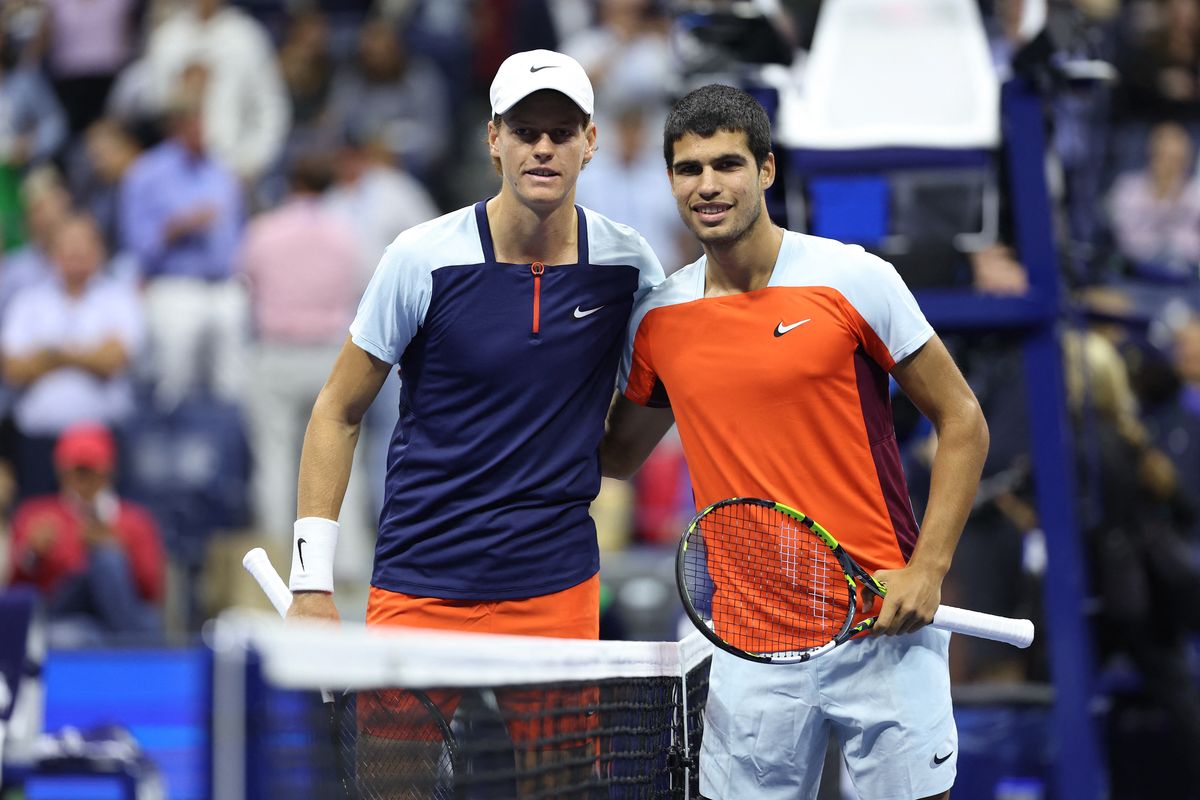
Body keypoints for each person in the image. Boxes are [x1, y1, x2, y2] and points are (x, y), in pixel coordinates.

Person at [284, 49, 663, 794]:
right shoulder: (419, 257)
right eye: (526, 131)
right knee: (390, 788)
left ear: (590, 140)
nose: (543, 147)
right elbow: (337, 409)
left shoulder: (631, 268)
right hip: (420, 582)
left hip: (554, 588)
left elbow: (625, 445)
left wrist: (652, 409)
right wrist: (311, 584)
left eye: (561, 131)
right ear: (493, 138)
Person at [600, 84, 989, 800]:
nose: (708, 185)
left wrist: (928, 570)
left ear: (767, 170)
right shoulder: (659, 319)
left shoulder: (855, 280)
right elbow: (616, 456)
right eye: (689, 170)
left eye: (728, 164)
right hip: (749, 647)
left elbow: (964, 418)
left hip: (883, 628)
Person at [7, 423, 164, 646]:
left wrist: (119, 548)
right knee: (68, 634)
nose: (84, 481)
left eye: (90, 471)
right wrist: (32, 553)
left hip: (111, 619)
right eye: (77, 471)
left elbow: (151, 590)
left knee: (108, 564)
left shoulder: (135, 520)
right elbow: (16, 591)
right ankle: (132, 647)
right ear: (62, 473)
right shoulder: (37, 514)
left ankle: (127, 642)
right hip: (62, 612)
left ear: (108, 471)